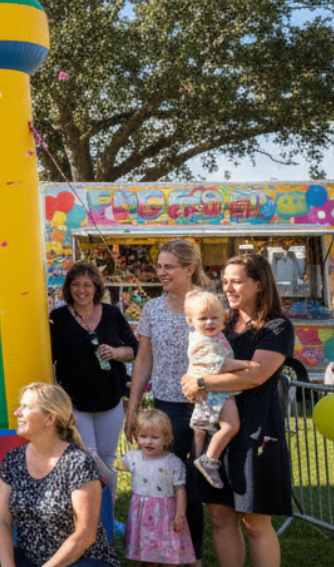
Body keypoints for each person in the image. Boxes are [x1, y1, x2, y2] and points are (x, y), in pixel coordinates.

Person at [178, 253, 293, 567]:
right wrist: (193, 380)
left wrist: (202, 382)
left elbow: (256, 375)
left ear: (258, 284)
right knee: (220, 516)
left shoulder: (276, 327)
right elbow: (198, 362)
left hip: (255, 431)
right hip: (217, 430)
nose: (228, 287)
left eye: (237, 281)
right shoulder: (221, 322)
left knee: (255, 522)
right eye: (225, 281)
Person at [126, 238, 211, 563]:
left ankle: (195, 557)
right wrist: (133, 408)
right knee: (168, 487)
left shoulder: (209, 306)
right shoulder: (152, 309)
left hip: (206, 409)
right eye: (159, 266)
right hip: (166, 409)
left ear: (189, 269)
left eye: (168, 267)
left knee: (196, 488)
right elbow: (143, 359)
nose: (161, 272)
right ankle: (163, 553)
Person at [0, 383, 119, 567]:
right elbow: (2, 521)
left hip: (80, 560)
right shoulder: (12, 460)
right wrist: (7, 565)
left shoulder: (78, 463)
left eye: (26, 407)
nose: (17, 413)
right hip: (29, 559)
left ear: (49, 419)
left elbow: (85, 535)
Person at [48, 261, 137, 489]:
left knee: (107, 459)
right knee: (87, 458)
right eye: (76, 284)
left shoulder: (112, 313)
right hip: (75, 403)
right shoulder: (57, 318)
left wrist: (116, 352)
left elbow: (135, 350)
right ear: (68, 288)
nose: (81, 290)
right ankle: (90, 516)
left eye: (87, 285)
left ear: (97, 287)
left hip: (110, 400)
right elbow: (49, 359)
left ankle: (107, 515)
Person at [183, 290, 255, 490]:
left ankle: (199, 462)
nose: (209, 323)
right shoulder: (203, 341)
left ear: (223, 318)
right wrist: (247, 364)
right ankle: (209, 459)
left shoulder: (212, 337)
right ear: (191, 320)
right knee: (230, 426)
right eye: (203, 318)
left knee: (203, 428)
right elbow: (221, 365)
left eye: (214, 317)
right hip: (217, 391)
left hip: (215, 389)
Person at [121, 408, 197, 565]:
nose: (148, 442)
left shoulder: (173, 462)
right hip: (141, 515)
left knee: (168, 555)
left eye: (155, 437)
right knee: (147, 556)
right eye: (143, 436)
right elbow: (112, 467)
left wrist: (180, 515)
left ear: (167, 439)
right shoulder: (133, 458)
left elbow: (180, 490)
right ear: (136, 437)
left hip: (166, 516)